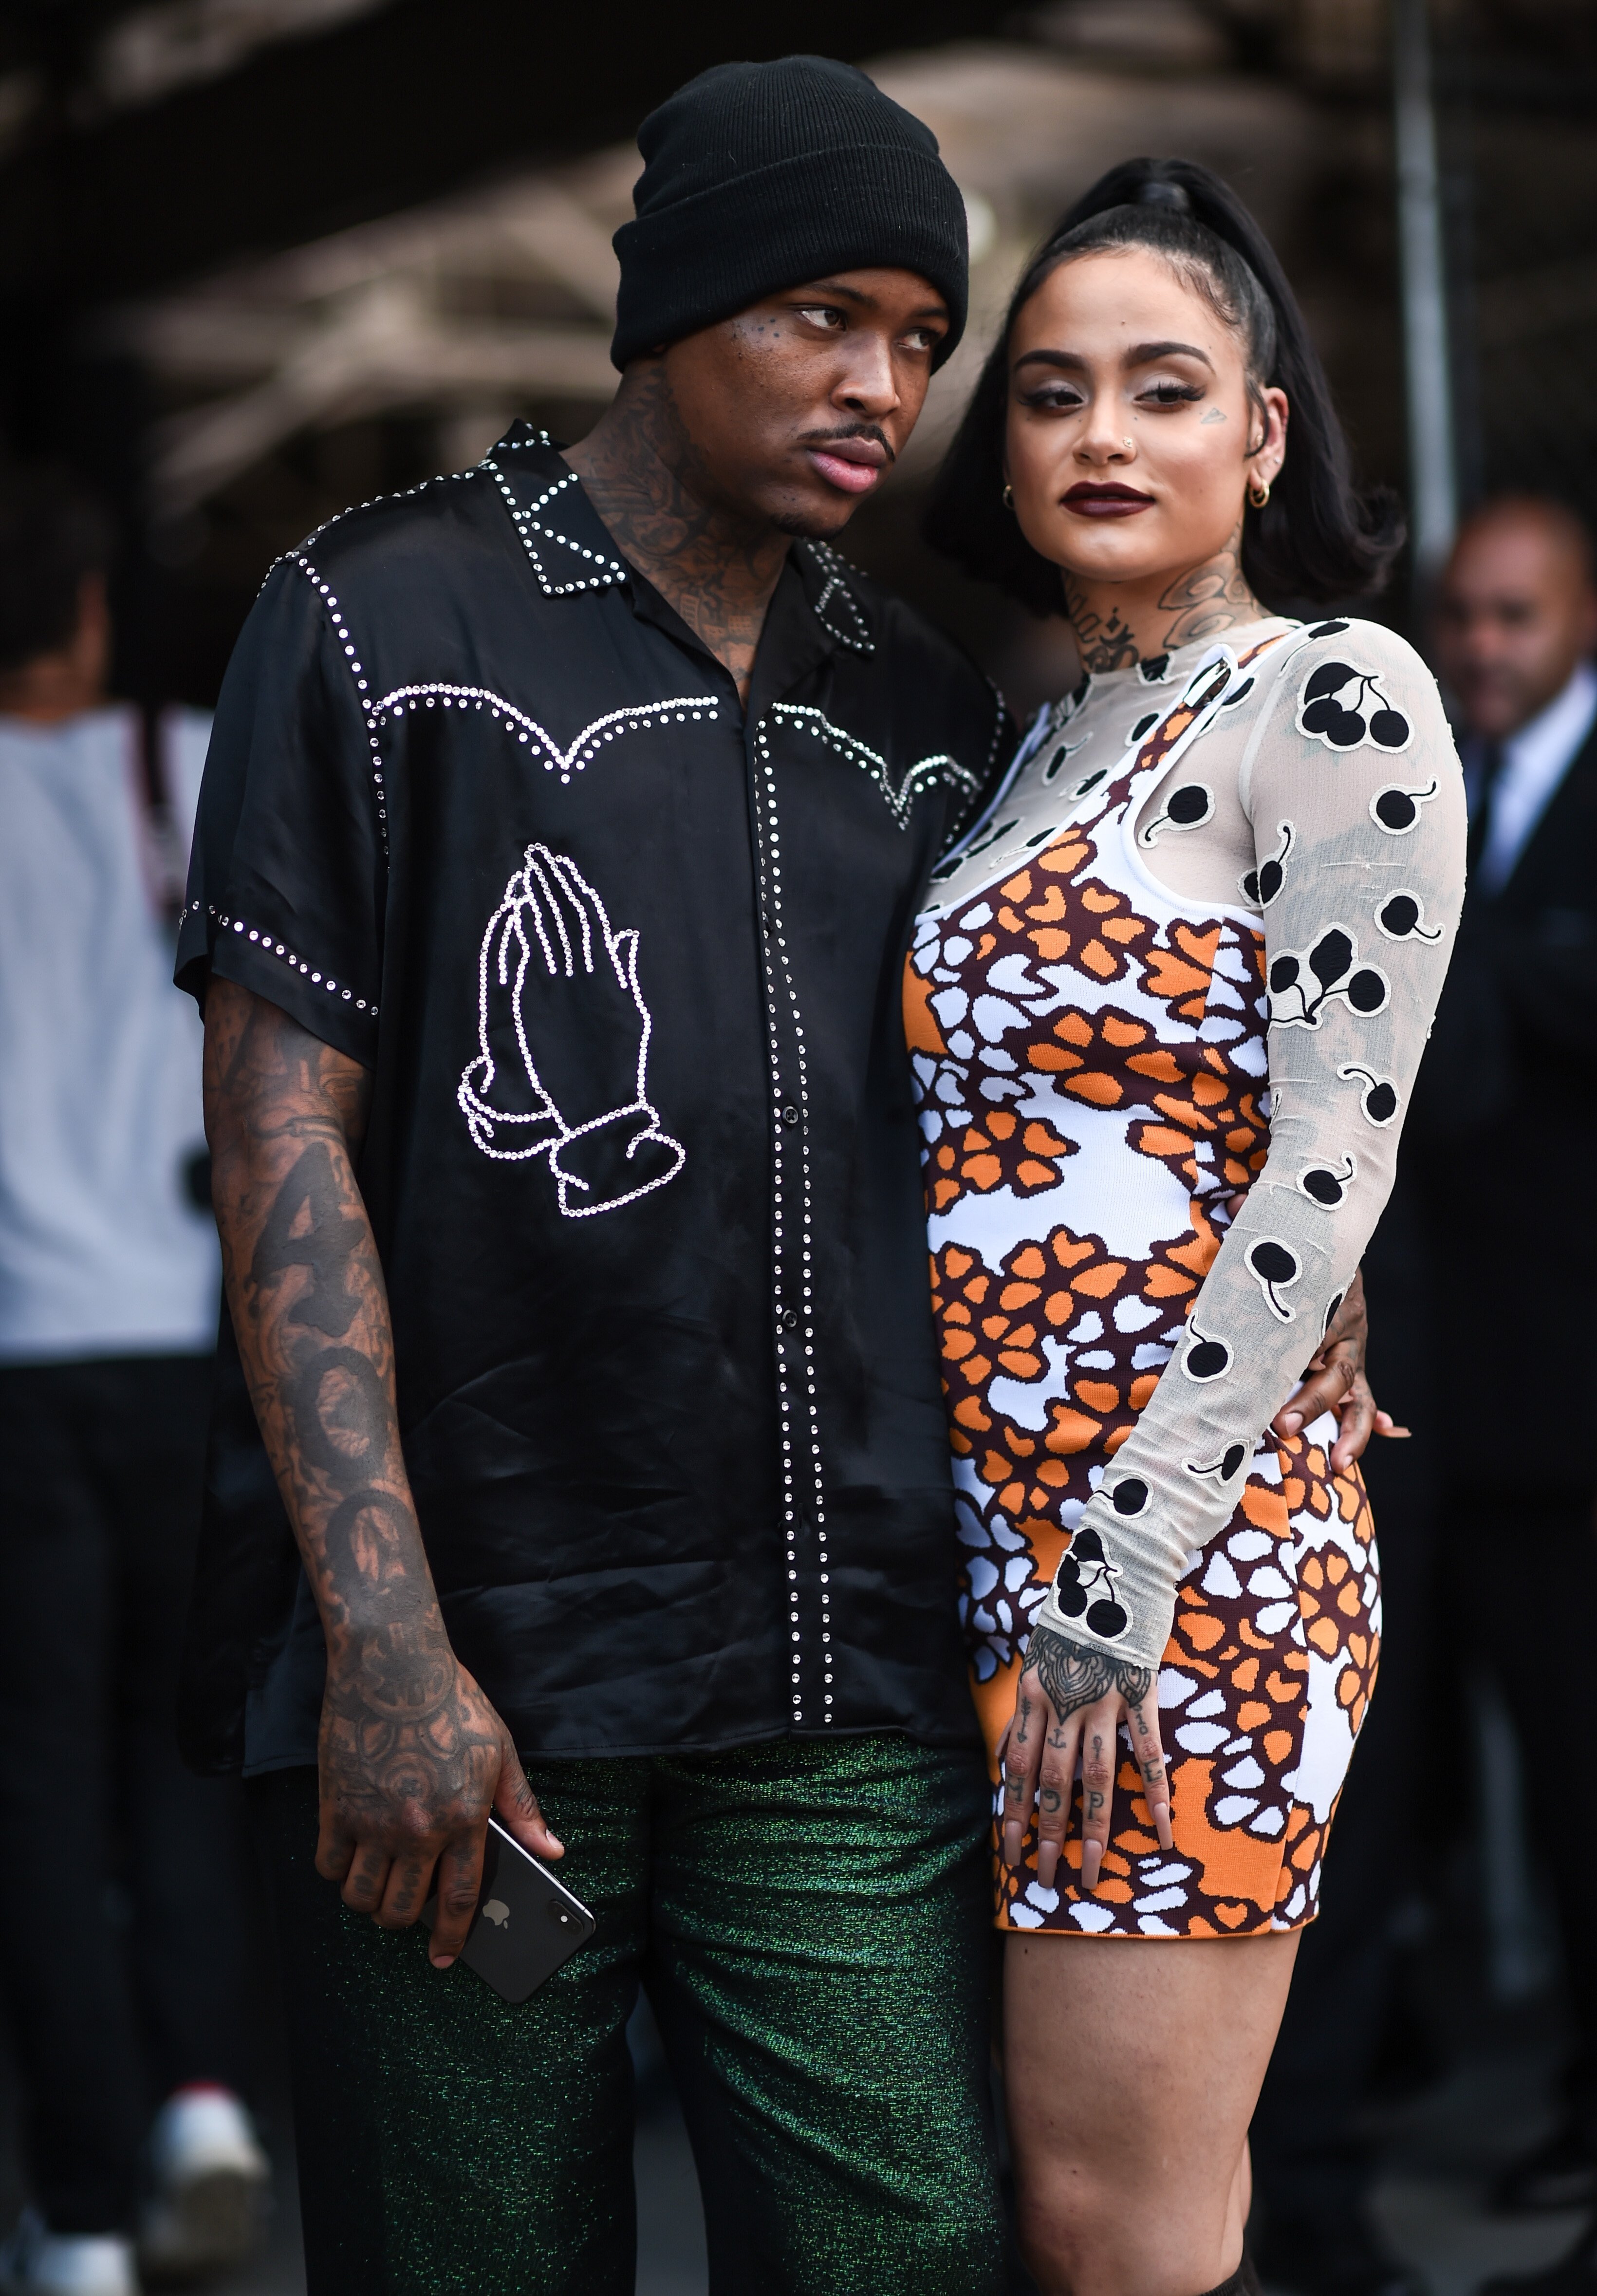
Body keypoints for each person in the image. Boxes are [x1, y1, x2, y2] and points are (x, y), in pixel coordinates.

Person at [177, 57, 1019, 2296]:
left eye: (923, 338)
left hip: (847, 1690)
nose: (883, 384)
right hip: (480, 1703)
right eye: (826, 313)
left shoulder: (920, 706)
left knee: (908, 2251)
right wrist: (379, 1648)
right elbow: (280, 1138)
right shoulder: (380, 618)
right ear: (673, 307)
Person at [916, 158, 1465, 2296]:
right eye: (1050, 395)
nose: (1098, 438)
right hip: (973, 1552)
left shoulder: (1330, 694)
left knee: (1119, 2235)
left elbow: (1330, 1157)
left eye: (1161, 389)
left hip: (1169, 1579)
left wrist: (1119, 1579)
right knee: (1033, 2217)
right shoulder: (1035, 739)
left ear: (1258, 432)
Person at [0, 469, 267, 2296]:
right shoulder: (182, 765)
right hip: (188, 1346)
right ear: (94, 613)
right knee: (184, 1761)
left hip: (12, 1363)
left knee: (33, 1787)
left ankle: (81, 2221)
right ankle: (202, 2102)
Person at [1420, 498, 1597, 2296]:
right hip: (1463, 1390)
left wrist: (1488, 964)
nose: (1480, 645)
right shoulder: (1438, 783)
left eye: (1515, 615)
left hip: (1579, 1385)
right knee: (1515, 1803)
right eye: (1462, 615)